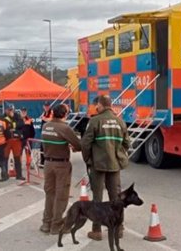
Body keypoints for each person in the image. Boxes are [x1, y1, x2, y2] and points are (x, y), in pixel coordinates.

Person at [81, 95, 130, 241]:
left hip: (98, 165)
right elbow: (127, 143)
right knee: (116, 197)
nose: (96, 107)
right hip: (114, 165)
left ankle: (96, 231)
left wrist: (87, 159)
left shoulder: (95, 120)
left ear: (100, 105)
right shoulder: (120, 121)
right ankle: (118, 228)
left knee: (97, 198)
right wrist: (118, 154)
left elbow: (85, 143)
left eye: (97, 105)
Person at [39, 104, 81, 235]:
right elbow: (78, 145)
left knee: (49, 194)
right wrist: (72, 146)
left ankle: (46, 223)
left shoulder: (46, 126)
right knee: (61, 196)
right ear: (64, 115)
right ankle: (56, 226)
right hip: (61, 165)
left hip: (47, 163)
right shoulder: (65, 128)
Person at [3, 106, 25, 181]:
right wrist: (14, 125)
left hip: (16, 140)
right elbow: (4, 127)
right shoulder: (2, 117)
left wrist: (12, 125)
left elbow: (21, 124)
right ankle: (4, 175)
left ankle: (19, 175)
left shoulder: (17, 116)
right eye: (8, 110)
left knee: (17, 158)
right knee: (5, 158)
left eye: (11, 110)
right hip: (7, 140)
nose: (10, 111)